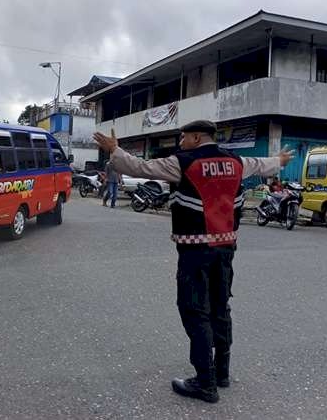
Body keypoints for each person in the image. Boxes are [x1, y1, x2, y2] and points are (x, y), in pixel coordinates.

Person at [94, 122, 293, 403]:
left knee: (195, 310)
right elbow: (262, 164)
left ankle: (204, 382)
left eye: (184, 136)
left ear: (197, 137)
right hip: (226, 249)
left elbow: (141, 168)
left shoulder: (183, 162)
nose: (180, 141)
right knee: (220, 307)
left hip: (195, 250)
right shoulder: (235, 161)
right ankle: (221, 372)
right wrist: (280, 161)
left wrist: (115, 151)